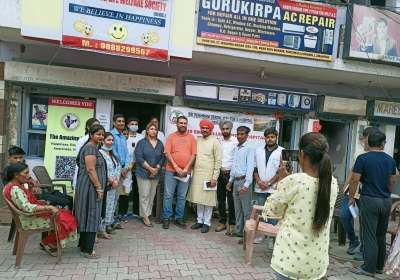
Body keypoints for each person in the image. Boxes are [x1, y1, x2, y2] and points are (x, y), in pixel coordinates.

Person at [264, 132, 338, 280]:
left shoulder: (293, 181)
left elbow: (272, 211)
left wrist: (282, 181)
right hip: (317, 263)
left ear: (302, 153)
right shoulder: (332, 183)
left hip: (290, 262)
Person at [348, 130, 398, 277]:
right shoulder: (391, 160)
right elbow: (393, 180)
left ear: (368, 143)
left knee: (369, 235)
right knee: (381, 236)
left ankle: (368, 268)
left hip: (369, 199)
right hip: (386, 200)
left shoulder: (363, 158)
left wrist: (351, 198)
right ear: (383, 144)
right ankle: (379, 267)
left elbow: (355, 180)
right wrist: (386, 191)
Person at [3, 163, 77, 257]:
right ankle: (46, 242)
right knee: (69, 220)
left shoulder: (12, 186)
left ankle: (50, 243)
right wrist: (50, 207)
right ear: (16, 175)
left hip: (27, 216)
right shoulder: (15, 189)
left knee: (67, 216)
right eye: (26, 173)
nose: (29, 176)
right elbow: (28, 207)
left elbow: (27, 200)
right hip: (28, 219)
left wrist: (30, 187)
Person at [341, 126, 378, 259]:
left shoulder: (379, 155)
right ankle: (354, 240)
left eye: (366, 137)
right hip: (352, 192)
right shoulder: (358, 153)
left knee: (364, 222)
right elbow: (352, 171)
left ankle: (363, 249)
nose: (364, 140)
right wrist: (346, 185)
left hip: (367, 194)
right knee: (344, 216)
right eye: (364, 137)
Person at [2, 146, 73, 210]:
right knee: (65, 202)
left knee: (69, 198)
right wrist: (31, 189)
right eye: (15, 158)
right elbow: (12, 189)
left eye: (20, 157)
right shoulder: (8, 172)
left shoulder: (22, 168)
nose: (18, 160)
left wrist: (35, 186)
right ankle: (61, 220)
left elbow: (32, 182)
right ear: (9, 158)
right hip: (32, 196)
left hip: (38, 192)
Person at [74, 124, 107, 259]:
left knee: (87, 215)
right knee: (91, 215)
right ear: (91, 134)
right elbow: (90, 169)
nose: (101, 137)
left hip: (89, 187)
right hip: (90, 188)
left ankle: (84, 245)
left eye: (102, 134)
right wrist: (99, 187)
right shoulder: (90, 149)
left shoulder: (93, 148)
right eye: (98, 134)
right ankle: (88, 250)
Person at [187, 119, 222, 233]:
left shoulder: (215, 142)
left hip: (209, 175)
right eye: (203, 128)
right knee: (198, 199)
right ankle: (199, 221)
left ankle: (207, 222)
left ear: (211, 129)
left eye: (207, 128)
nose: (205, 130)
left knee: (208, 200)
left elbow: (218, 161)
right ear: (200, 129)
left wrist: (214, 177)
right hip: (198, 174)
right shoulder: (197, 141)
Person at [162, 116, 196, 230]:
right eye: (181, 123)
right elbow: (167, 152)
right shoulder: (171, 137)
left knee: (182, 196)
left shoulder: (191, 138)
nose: (183, 125)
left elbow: (193, 155)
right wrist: (176, 167)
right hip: (171, 170)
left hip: (185, 172)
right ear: (177, 124)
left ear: (187, 124)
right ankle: (166, 218)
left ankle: (178, 218)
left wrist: (185, 169)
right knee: (168, 195)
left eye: (185, 123)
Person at [253, 128, 284, 249]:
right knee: (262, 211)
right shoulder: (259, 150)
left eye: (272, 137)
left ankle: (272, 237)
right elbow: (255, 169)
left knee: (273, 212)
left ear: (276, 138)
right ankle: (262, 235)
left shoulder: (282, 151)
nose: (270, 139)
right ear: (264, 138)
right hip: (260, 186)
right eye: (267, 137)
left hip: (273, 188)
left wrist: (270, 183)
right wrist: (259, 181)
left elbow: (280, 171)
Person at [226, 126, 254, 244]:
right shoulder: (237, 148)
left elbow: (250, 168)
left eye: (242, 134)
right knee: (237, 208)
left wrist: (246, 185)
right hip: (236, 181)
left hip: (244, 182)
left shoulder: (249, 148)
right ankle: (238, 230)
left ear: (247, 135)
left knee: (246, 210)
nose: (240, 136)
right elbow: (234, 166)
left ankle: (247, 234)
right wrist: (230, 180)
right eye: (238, 134)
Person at [134, 122, 165, 227]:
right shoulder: (141, 143)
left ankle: (148, 213)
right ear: (147, 130)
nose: (153, 131)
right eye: (151, 129)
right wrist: (150, 168)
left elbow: (162, 157)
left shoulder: (160, 143)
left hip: (156, 173)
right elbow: (139, 157)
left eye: (155, 129)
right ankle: (145, 216)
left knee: (152, 195)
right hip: (143, 173)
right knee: (144, 195)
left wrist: (156, 168)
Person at [118, 117, 144, 220]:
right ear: (128, 125)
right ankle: (122, 212)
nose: (134, 125)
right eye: (132, 123)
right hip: (126, 168)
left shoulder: (141, 137)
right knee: (124, 190)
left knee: (138, 190)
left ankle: (136, 211)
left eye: (136, 124)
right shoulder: (123, 136)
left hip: (139, 167)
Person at [215, 120, 238, 234]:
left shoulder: (236, 142)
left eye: (226, 129)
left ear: (230, 129)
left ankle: (232, 223)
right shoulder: (219, 142)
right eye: (223, 129)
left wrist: (232, 178)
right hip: (220, 174)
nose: (225, 131)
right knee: (221, 200)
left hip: (231, 174)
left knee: (231, 200)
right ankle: (222, 222)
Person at [98, 132, 121, 239]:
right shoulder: (99, 153)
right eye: (108, 140)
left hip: (113, 187)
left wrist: (116, 180)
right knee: (101, 208)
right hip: (104, 185)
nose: (111, 142)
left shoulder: (112, 154)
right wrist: (112, 181)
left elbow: (118, 168)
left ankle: (103, 228)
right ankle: (98, 230)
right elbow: (102, 170)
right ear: (103, 141)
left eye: (112, 140)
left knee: (109, 208)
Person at [110, 114, 130, 226]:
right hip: (114, 171)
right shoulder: (111, 135)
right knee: (111, 197)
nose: (121, 123)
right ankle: (108, 221)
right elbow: (113, 154)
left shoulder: (123, 136)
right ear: (114, 123)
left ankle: (112, 220)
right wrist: (121, 169)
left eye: (123, 121)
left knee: (116, 196)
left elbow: (126, 153)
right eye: (119, 121)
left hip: (123, 170)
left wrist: (126, 167)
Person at [73, 118, 99, 189]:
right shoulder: (82, 140)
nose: (97, 128)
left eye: (98, 126)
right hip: (84, 171)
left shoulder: (99, 141)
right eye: (94, 125)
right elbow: (79, 158)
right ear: (88, 127)